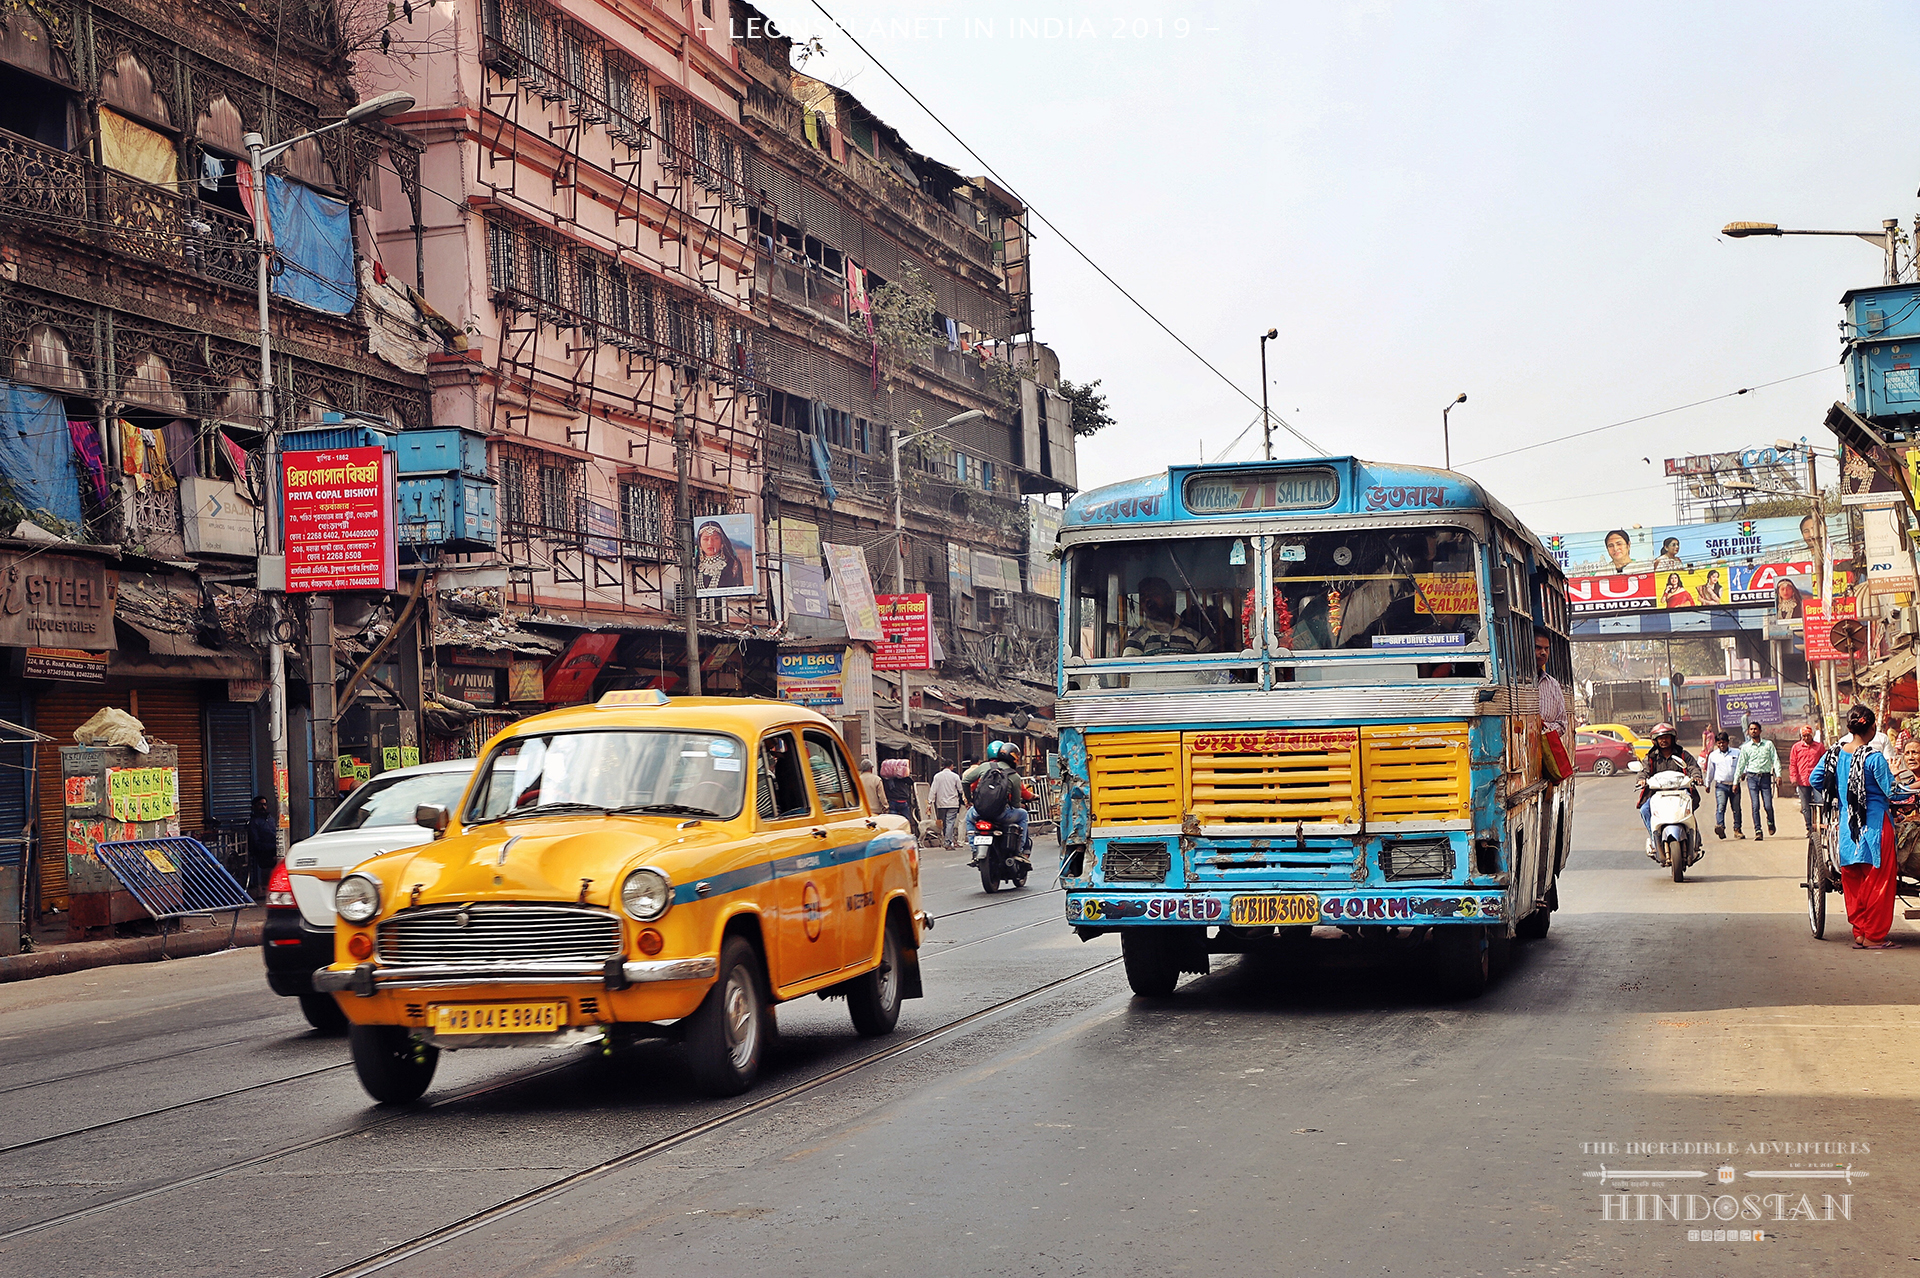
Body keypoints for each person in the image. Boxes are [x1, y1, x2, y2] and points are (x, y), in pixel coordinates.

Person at [1808, 705, 1904, 949]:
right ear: (1872, 728)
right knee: (1879, 882)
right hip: (1875, 827)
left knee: (1853, 880)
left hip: (1847, 829)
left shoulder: (1834, 755)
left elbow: (1815, 779)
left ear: (1849, 728)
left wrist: (1842, 793)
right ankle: (1874, 936)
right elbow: (1892, 792)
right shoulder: (1873, 758)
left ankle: (1860, 932)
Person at [962, 742, 1034, 866]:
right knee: (1023, 815)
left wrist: (970, 800)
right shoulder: (1014, 776)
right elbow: (1016, 804)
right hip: (1002, 814)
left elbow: (965, 781)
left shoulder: (985, 767)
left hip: (980, 812)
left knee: (969, 818)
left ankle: (974, 850)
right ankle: (1020, 852)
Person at [1635, 724, 1700, 852]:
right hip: (1658, 794)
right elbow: (1644, 771)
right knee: (1644, 810)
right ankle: (1655, 839)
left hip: (1680, 792)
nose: (1663, 741)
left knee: (1689, 808)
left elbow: (1692, 767)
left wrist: (1696, 776)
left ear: (1672, 738)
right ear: (1655, 740)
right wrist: (1641, 779)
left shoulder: (1682, 755)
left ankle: (1695, 838)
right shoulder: (1651, 757)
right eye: (1660, 738)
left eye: (1666, 737)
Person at [1124, 577, 1209, 657]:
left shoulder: (1195, 635)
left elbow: (1212, 669)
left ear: (1169, 597)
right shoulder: (1137, 638)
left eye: (1154, 594)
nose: (1148, 600)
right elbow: (1128, 670)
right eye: (1143, 596)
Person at [1734, 720, 1779, 839]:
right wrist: (1735, 782)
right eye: (1751, 729)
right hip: (1752, 778)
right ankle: (1758, 830)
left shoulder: (1768, 744)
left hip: (1765, 778)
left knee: (1768, 805)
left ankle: (1770, 822)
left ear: (1760, 731)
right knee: (1755, 805)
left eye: (1755, 729)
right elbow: (1741, 765)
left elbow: (1775, 759)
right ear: (1748, 732)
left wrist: (1778, 775)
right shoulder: (1745, 747)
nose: (1753, 731)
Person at [1705, 731, 1743, 840]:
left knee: (1736, 808)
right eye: (1719, 743)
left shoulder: (1736, 753)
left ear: (1727, 742)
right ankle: (1720, 827)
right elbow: (1710, 771)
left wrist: (1743, 774)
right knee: (1721, 807)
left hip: (1734, 784)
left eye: (1724, 742)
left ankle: (1737, 829)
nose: (1722, 745)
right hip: (1721, 785)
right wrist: (1707, 784)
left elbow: (1741, 766)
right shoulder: (1713, 755)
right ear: (1717, 743)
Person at [1789, 724, 1824, 836]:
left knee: (1820, 803)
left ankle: (1820, 826)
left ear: (1812, 735)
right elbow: (1793, 764)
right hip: (1802, 781)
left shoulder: (1819, 747)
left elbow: (1825, 762)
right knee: (1805, 806)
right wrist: (1793, 778)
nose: (1806, 738)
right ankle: (1809, 828)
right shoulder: (1796, 747)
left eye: (1808, 735)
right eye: (1804, 736)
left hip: (1817, 781)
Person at [693, 520, 746, 591]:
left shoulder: (732, 563)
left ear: (722, 541)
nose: (710, 543)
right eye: (705, 539)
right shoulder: (694, 564)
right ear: (699, 543)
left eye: (715, 538)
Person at [1534, 628, 1567, 738]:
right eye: (1538, 648)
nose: (1543, 653)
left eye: (1546, 649)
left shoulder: (1553, 685)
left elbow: (1562, 724)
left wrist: (1544, 727)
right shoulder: (1514, 682)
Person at [246, 795, 277, 897]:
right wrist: (271, 848)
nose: (263, 807)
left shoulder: (270, 819)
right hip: (262, 852)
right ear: (255, 806)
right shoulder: (254, 823)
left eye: (264, 804)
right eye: (260, 804)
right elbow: (256, 843)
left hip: (273, 848)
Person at [930, 761, 965, 850]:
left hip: (941, 803)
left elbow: (933, 790)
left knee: (944, 822)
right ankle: (948, 842)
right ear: (951, 766)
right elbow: (961, 789)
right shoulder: (955, 776)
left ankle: (947, 840)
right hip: (953, 803)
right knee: (950, 822)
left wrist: (930, 802)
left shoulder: (937, 776)